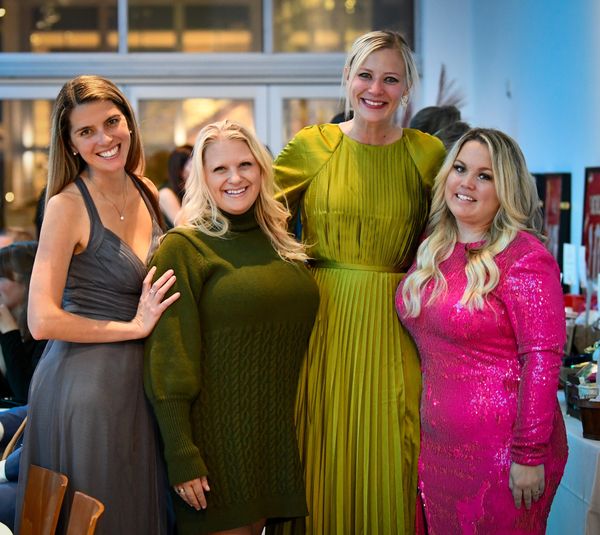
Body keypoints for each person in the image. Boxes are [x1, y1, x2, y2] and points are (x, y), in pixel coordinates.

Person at [268, 30, 446, 534]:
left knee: (393, 452)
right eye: (366, 75)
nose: (376, 89)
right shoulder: (312, 146)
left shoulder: (426, 154)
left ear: (406, 87)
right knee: (319, 449)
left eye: (390, 79)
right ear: (347, 78)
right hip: (320, 323)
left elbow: (453, 233)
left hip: (395, 326)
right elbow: (257, 219)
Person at [15, 75, 180, 535]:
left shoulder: (146, 189)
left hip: (141, 385)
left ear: (128, 120)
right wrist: (133, 327)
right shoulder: (67, 206)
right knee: (101, 518)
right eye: (86, 132)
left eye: (112, 121)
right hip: (84, 389)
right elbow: (41, 318)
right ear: (69, 144)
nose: (105, 139)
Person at [145, 119, 319, 535]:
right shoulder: (184, 248)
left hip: (272, 438)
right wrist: (182, 453)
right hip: (214, 445)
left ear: (262, 169)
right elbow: (169, 358)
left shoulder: (282, 244)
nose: (235, 178)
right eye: (219, 169)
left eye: (245, 165)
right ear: (202, 179)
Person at [397, 128, 567, 534]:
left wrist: (528, 455)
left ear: (505, 187)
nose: (467, 183)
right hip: (436, 448)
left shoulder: (525, 258)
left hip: (503, 453)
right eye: (460, 169)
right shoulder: (431, 247)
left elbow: (542, 362)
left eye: (484, 175)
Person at [0, 241, 46, 404]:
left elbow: (26, 395)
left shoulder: (45, 336)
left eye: (2, 277)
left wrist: (10, 332)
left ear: (28, 283)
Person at [159, 144, 193, 228]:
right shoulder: (165, 193)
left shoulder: (188, 190)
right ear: (180, 169)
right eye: (193, 165)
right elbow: (182, 225)